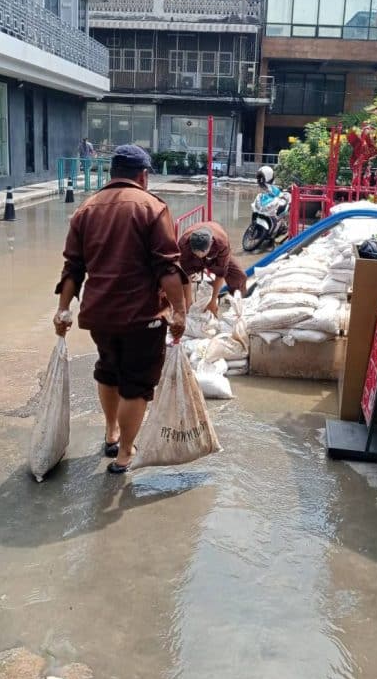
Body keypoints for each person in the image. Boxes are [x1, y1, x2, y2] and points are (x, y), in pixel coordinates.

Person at [54, 144, 187, 474]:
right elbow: (167, 268)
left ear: (112, 173)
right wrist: (180, 312)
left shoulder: (86, 209)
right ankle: (125, 452)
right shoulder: (151, 207)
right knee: (136, 384)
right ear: (143, 176)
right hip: (142, 318)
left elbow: (73, 267)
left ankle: (112, 432)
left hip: (99, 316)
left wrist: (63, 310)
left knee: (109, 370)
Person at [178, 221, 247, 316]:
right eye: (196, 251)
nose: (199, 255)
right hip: (193, 260)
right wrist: (188, 302)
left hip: (215, 257)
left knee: (239, 276)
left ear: (211, 243)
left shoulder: (221, 242)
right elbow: (186, 275)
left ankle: (237, 304)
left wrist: (213, 301)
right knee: (176, 279)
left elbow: (221, 273)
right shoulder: (183, 243)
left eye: (202, 252)